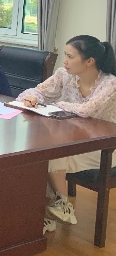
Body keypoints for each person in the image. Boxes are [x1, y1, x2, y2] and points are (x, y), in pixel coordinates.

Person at [15, 35, 116, 234]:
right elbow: (38, 91)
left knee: (50, 155)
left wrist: (57, 104)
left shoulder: (110, 84)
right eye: (65, 55)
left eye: (70, 56)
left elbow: (87, 110)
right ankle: (51, 210)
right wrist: (32, 97)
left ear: (89, 61)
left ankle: (58, 207)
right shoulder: (64, 75)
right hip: (72, 138)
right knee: (40, 154)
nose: (65, 61)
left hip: (104, 148)